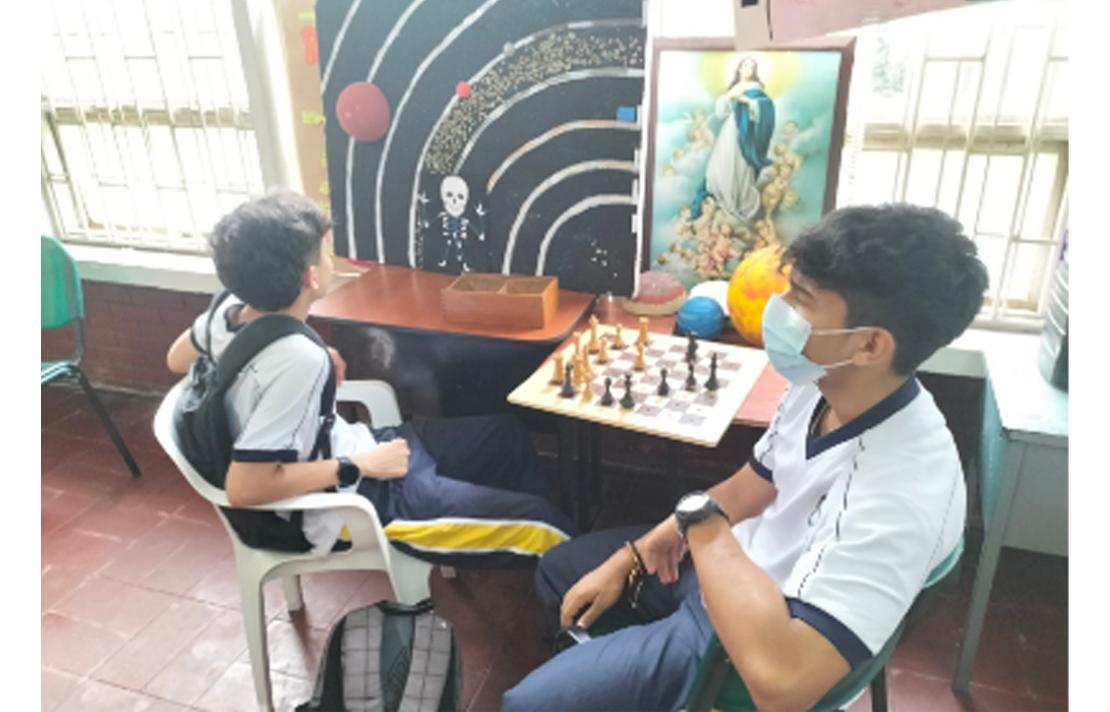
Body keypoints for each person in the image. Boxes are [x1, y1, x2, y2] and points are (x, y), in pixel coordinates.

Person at [502, 204, 989, 711]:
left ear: (869, 344)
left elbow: (783, 685)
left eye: (800, 298)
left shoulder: (899, 490)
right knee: (562, 572)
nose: (777, 309)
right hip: (730, 572)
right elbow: (749, 487)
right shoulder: (822, 383)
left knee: (525, 705)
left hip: (745, 642)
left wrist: (701, 524)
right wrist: (641, 550)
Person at [166, 191, 575, 567]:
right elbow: (245, 487)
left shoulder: (230, 312)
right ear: (311, 277)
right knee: (545, 526)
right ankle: (574, 586)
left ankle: (535, 564)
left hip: (366, 450)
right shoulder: (297, 361)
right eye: (325, 255)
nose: (330, 262)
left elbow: (176, 358)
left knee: (503, 433)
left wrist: (290, 355)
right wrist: (358, 465)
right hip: (357, 503)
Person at [692, 56, 777, 223]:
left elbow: (765, 108)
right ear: (739, 68)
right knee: (720, 165)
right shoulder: (735, 87)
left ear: (755, 71)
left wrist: (746, 101)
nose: (747, 69)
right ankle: (723, 200)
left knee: (739, 167)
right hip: (730, 130)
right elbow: (721, 112)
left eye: (751, 67)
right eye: (745, 65)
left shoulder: (756, 89)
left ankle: (736, 204)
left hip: (745, 134)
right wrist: (728, 97)